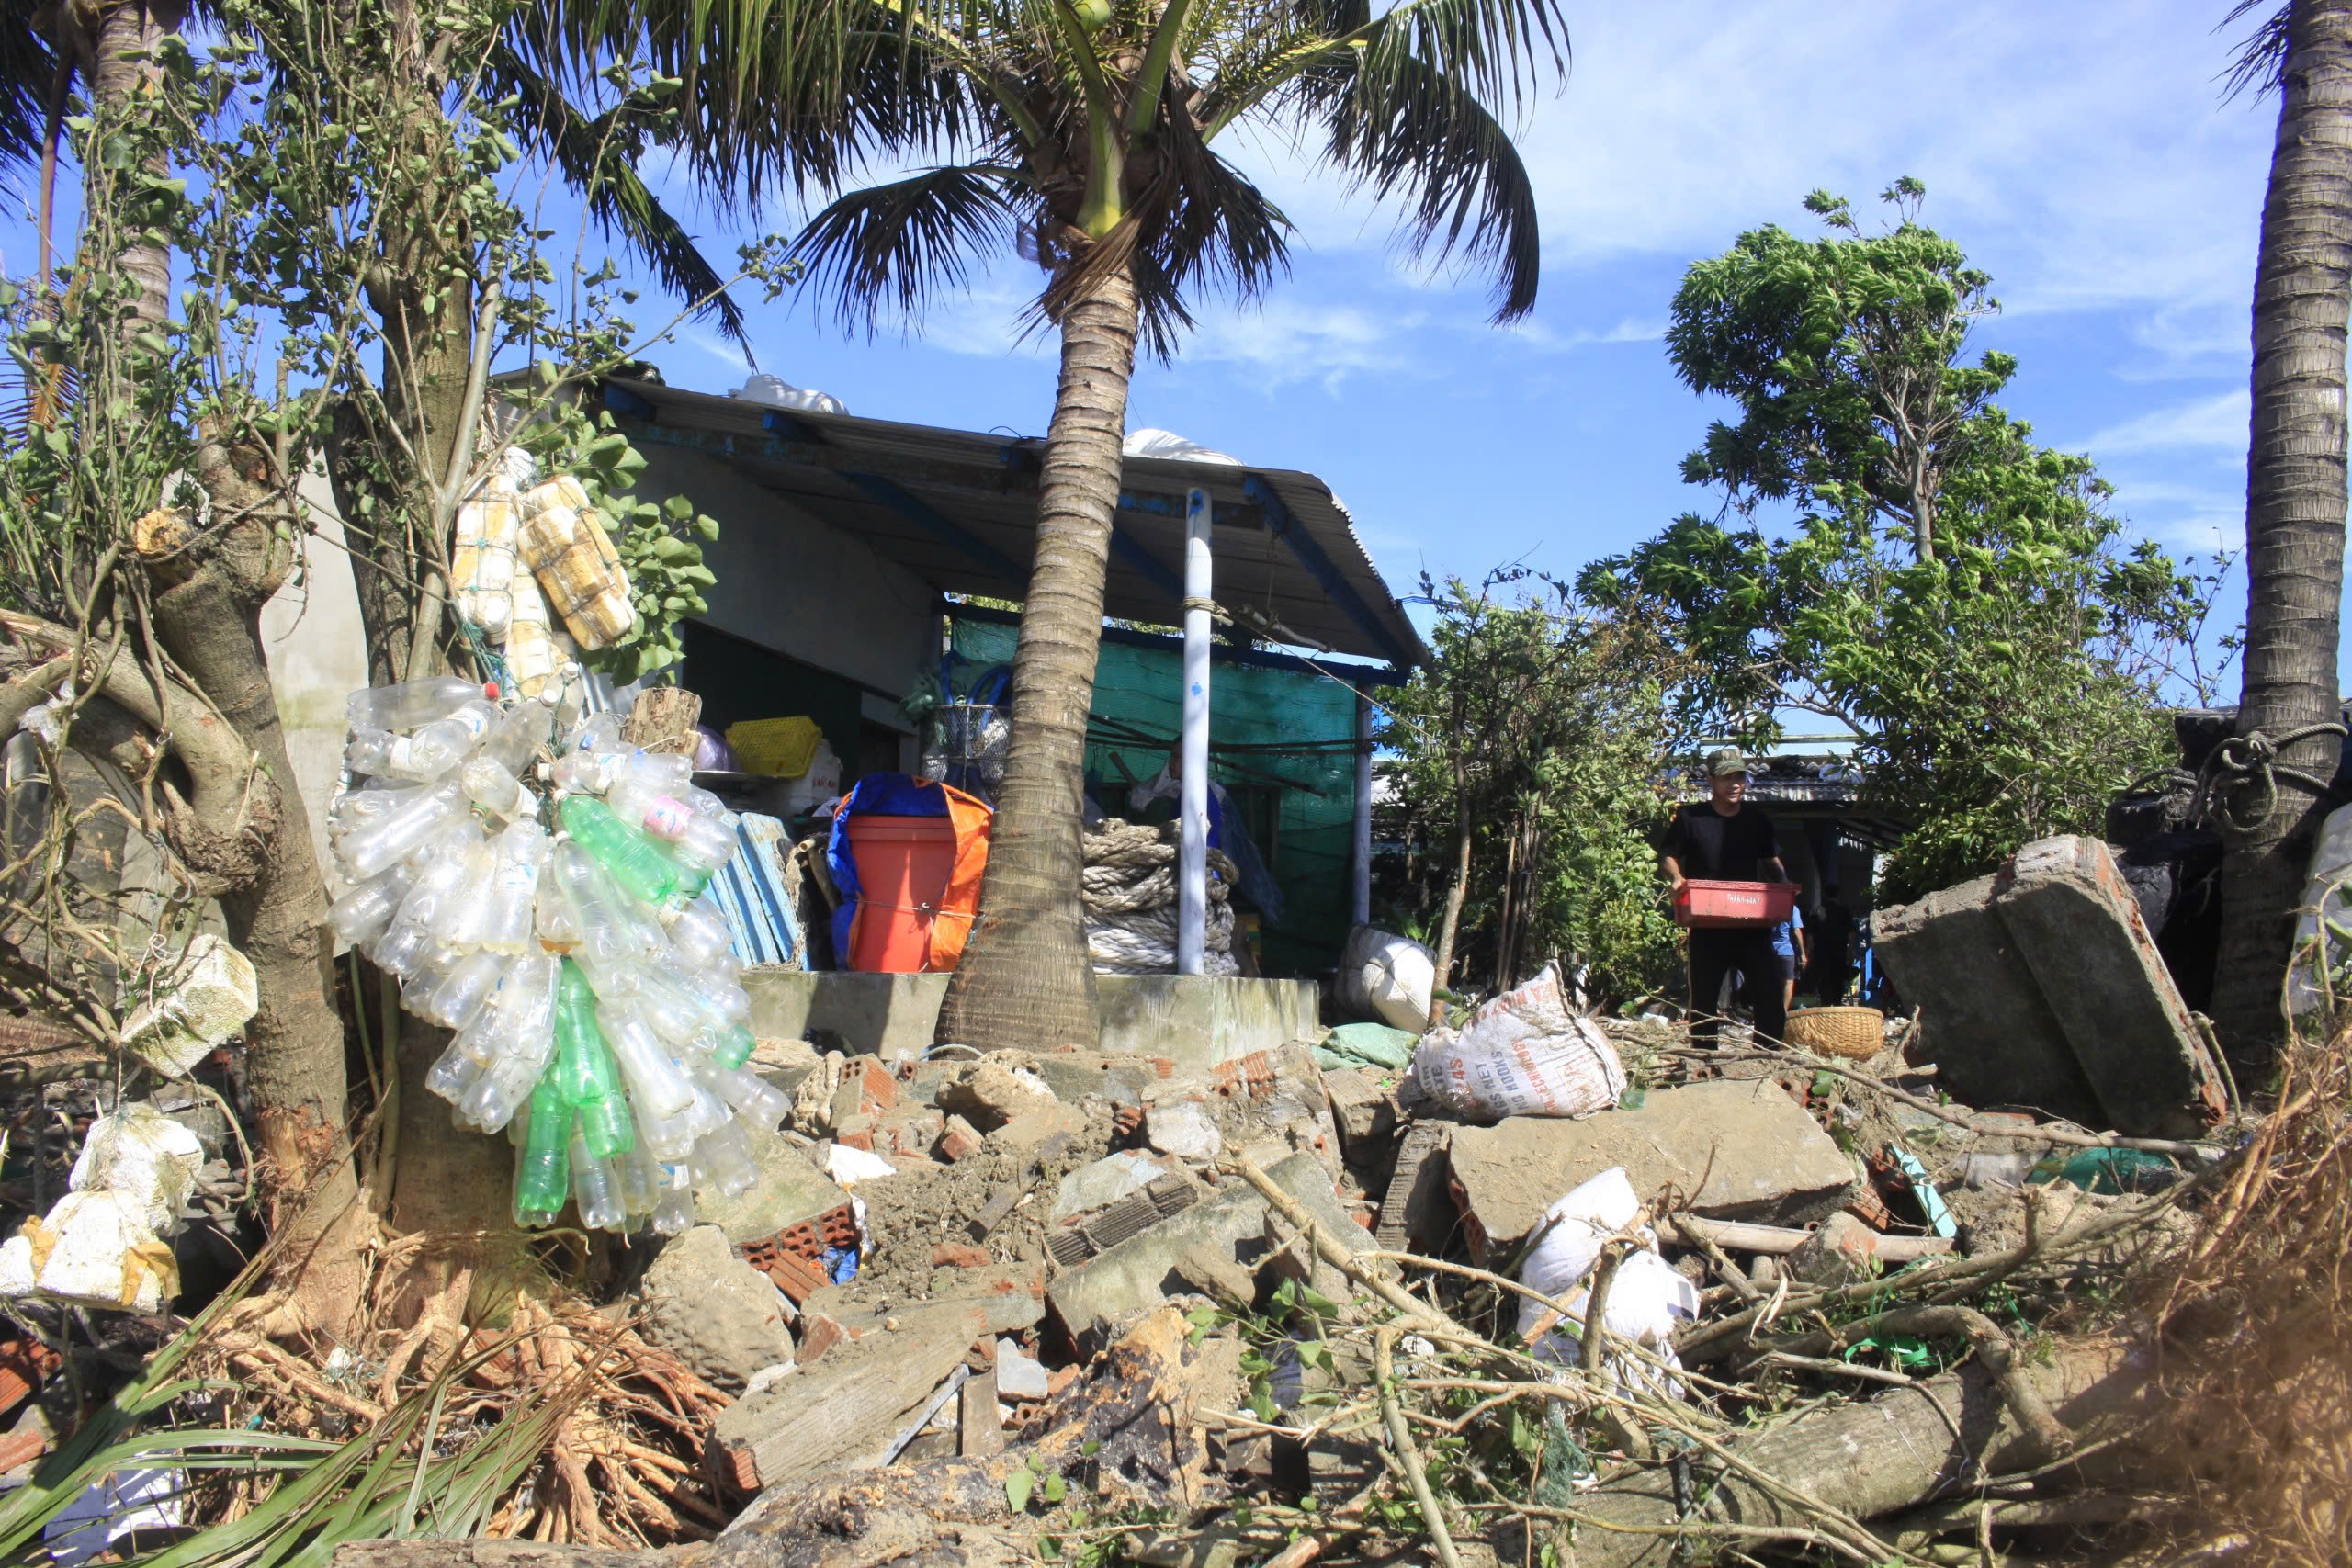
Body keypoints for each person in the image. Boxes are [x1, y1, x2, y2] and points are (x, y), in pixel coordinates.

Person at [1661, 747, 1791, 1046]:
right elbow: (1668, 855)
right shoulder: (1691, 818)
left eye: (1739, 777)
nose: (1734, 784)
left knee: (1770, 993)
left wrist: (1785, 887)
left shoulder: (1757, 820)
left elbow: (1771, 861)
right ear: (1711, 780)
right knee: (1704, 999)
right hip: (1708, 924)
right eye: (1726, 778)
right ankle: (1705, 1062)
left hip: (1751, 923)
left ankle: (1767, 1055)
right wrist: (1677, 876)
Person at [1771, 902, 1808, 1011]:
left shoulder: (1770, 906)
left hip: (1771, 950)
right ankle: (1783, 1011)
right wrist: (1802, 953)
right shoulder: (1792, 908)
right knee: (1788, 982)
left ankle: (1772, 1010)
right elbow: (1797, 931)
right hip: (1787, 950)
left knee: (1774, 981)